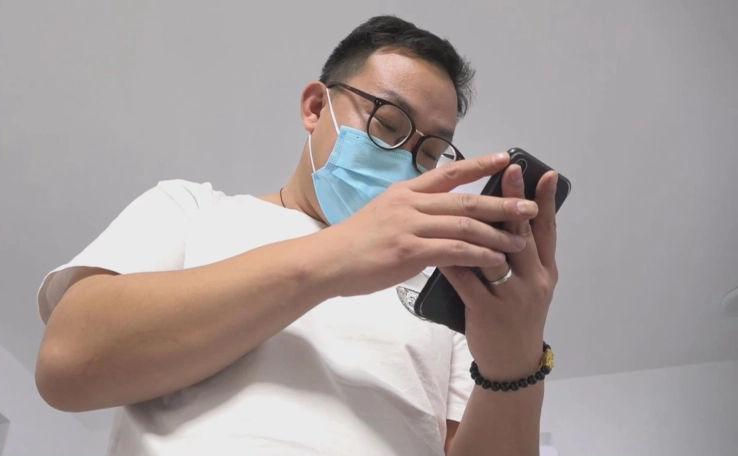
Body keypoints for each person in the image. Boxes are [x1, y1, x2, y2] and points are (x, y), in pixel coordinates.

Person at [35, 15, 560, 456]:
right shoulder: (193, 209)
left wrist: (514, 364)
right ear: (315, 107)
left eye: (429, 152)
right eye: (387, 123)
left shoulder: (444, 291)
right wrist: (335, 258)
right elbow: (68, 363)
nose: (406, 161)